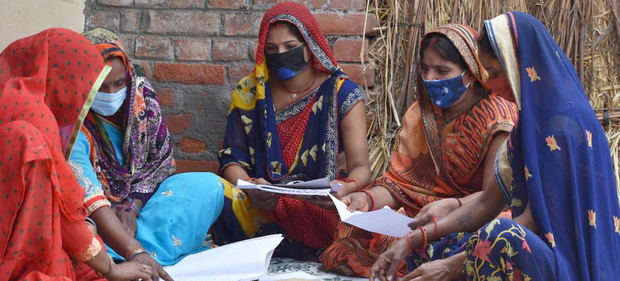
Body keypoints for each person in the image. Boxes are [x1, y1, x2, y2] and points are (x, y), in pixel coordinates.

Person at [370, 11, 620, 281]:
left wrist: (453, 266)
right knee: (429, 248)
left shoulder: (563, 123)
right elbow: (486, 203)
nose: (488, 82)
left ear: (521, 65)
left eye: (495, 72)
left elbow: (530, 224)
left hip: (570, 263)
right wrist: (411, 240)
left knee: (499, 235)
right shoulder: (530, 123)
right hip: (534, 253)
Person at [320, 24, 519, 277]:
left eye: (442, 71)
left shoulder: (498, 117)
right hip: (419, 217)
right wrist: (366, 199)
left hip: (470, 216)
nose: (431, 79)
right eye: (425, 69)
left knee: (487, 237)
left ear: (471, 72)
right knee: (350, 229)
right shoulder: (420, 113)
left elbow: (492, 197)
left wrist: (449, 207)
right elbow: (399, 187)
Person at [213, 1, 371, 259]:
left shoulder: (341, 92)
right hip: (264, 205)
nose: (281, 55)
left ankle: (307, 248)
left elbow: (362, 168)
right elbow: (231, 158)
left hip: (321, 204)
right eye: (272, 49)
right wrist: (251, 187)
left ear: (309, 48)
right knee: (220, 200)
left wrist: (345, 188)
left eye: (290, 48)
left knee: (354, 217)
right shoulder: (251, 92)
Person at [68, 28, 224, 279]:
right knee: (78, 234)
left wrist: (132, 207)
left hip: (141, 210)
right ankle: (138, 257)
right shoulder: (73, 124)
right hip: (96, 217)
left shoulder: (141, 97)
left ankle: (137, 256)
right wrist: (134, 250)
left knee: (206, 185)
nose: (111, 94)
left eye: (119, 84)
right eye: (101, 86)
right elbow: (86, 194)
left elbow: (160, 163)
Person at [0, 28, 152, 281]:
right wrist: (113, 269)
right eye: (87, 86)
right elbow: (67, 209)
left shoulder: (11, 100)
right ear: (65, 79)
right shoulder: (35, 122)